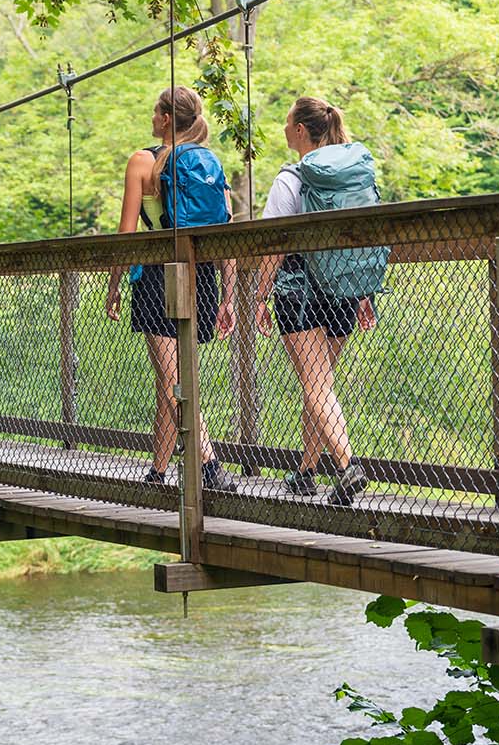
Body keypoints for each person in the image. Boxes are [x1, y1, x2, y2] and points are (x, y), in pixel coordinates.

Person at [105, 86, 239, 492]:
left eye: (154, 112)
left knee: (172, 380)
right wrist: (228, 295)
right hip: (201, 278)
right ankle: (158, 472)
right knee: (175, 377)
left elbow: (127, 234)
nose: (150, 117)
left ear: (165, 119)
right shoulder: (209, 164)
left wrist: (114, 285)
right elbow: (226, 234)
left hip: (156, 278)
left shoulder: (143, 161)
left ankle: (209, 465)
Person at [253, 97, 379, 506]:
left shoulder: (291, 179)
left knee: (316, 385)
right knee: (320, 384)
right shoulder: (352, 178)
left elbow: (272, 244)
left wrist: (259, 295)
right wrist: (364, 292)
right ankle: (307, 471)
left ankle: (346, 467)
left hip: (299, 290)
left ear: (302, 130)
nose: (285, 127)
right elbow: (362, 237)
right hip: (344, 287)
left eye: (288, 122)